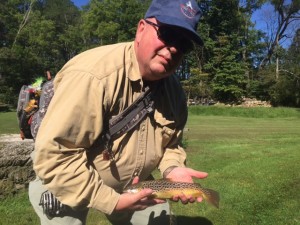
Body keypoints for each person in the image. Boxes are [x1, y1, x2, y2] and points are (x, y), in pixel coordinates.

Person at [30, 0, 208, 224]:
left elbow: (171, 144)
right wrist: (110, 201)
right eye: (167, 33)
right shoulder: (92, 75)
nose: (174, 48)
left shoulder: (175, 92)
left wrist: (172, 168)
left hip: (134, 184)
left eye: (184, 44)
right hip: (65, 178)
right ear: (141, 29)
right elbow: (55, 154)